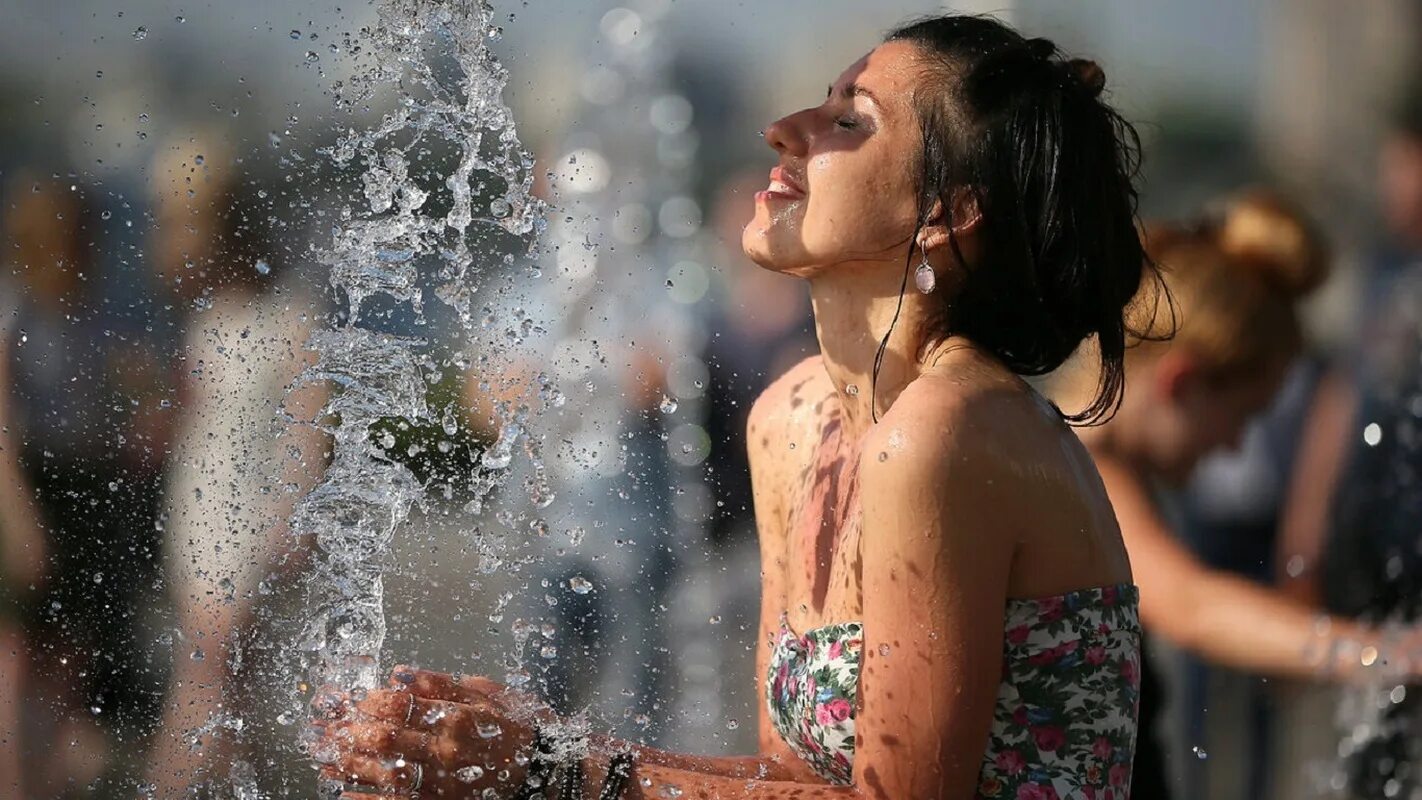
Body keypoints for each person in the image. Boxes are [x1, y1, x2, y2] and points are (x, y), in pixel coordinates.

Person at [318, 14, 1149, 799]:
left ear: (947, 214)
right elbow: (789, 779)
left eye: (849, 121)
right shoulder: (791, 418)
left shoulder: (947, 430)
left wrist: (552, 772)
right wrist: (521, 747)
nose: (784, 129)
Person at [1069, 190, 1422, 800]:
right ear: (1183, 381)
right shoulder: (1079, 471)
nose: (1234, 448)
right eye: (1243, 416)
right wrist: (1385, 652)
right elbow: (1192, 606)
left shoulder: (1085, 466)